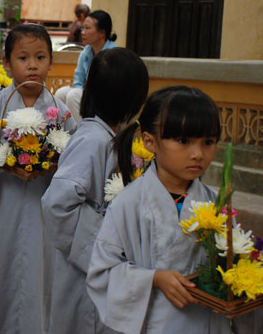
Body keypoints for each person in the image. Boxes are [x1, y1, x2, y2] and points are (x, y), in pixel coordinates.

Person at [85, 86, 235, 333]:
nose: (198, 154)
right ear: (150, 141)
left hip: (207, 324)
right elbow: (102, 273)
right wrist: (153, 279)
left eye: (208, 142)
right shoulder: (129, 203)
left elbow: (233, 264)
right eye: (183, 141)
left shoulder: (216, 204)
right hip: (153, 323)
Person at [0, 24, 77, 333]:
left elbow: (74, 159)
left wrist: (58, 163)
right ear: (7, 63)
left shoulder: (60, 113)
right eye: (23, 57)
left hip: (43, 210)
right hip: (1, 208)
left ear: (51, 62)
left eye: (40, 57)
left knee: (39, 277)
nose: (32, 65)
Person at [41, 47, 149, 334]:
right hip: (85, 269)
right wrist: (103, 245)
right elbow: (57, 204)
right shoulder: (92, 140)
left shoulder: (106, 136)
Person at [55, 9, 117, 122]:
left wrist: (85, 96)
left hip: (107, 100)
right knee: (61, 94)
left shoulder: (113, 54)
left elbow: (111, 89)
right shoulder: (86, 52)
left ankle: (84, 131)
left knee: (73, 96)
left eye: (87, 28)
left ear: (102, 33)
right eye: (83, 28)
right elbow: (78, 81)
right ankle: (65, 130)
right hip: (89, 95)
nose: (83, 32)